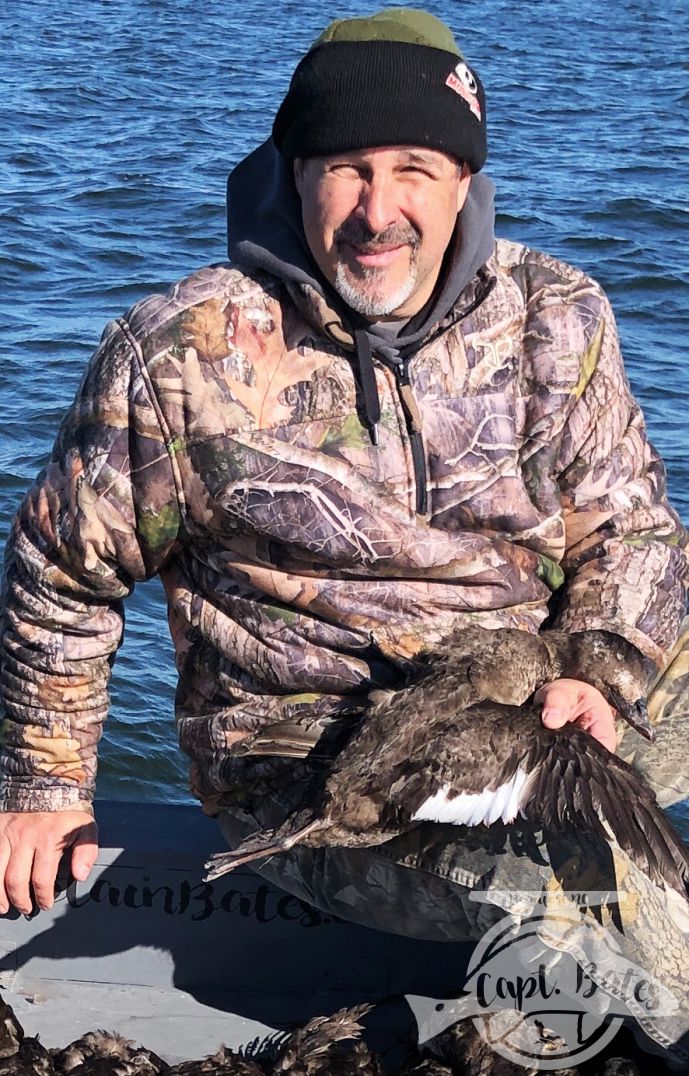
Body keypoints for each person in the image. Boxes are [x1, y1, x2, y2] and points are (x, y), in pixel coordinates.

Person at [0, 6, 687, 958]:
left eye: (412, 169)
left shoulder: (559, 316)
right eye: (346, 170)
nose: (376, 212)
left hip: (531, 705)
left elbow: (633, 531)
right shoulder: (175, 353)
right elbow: (63, 571)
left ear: (463, 183)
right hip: (320, 781)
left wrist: (593, 675)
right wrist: (44, 789)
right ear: (295, 174)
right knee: (613, 902)